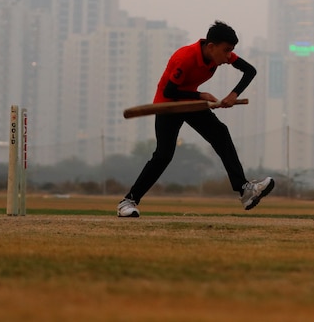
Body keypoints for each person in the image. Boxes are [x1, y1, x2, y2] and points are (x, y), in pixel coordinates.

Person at [117, 20, 274, 217]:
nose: (228, 57)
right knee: (163, 155)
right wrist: (200, 96)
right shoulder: (185, 57)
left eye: (231, 51)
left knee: (220, 133)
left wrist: (233, 94)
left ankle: (244, 190)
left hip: (190, 102)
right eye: (226, 51)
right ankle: (128, 202)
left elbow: (250, 71)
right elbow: (170, 90)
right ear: (211, 46)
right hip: (169, 104)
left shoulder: (217, 53)